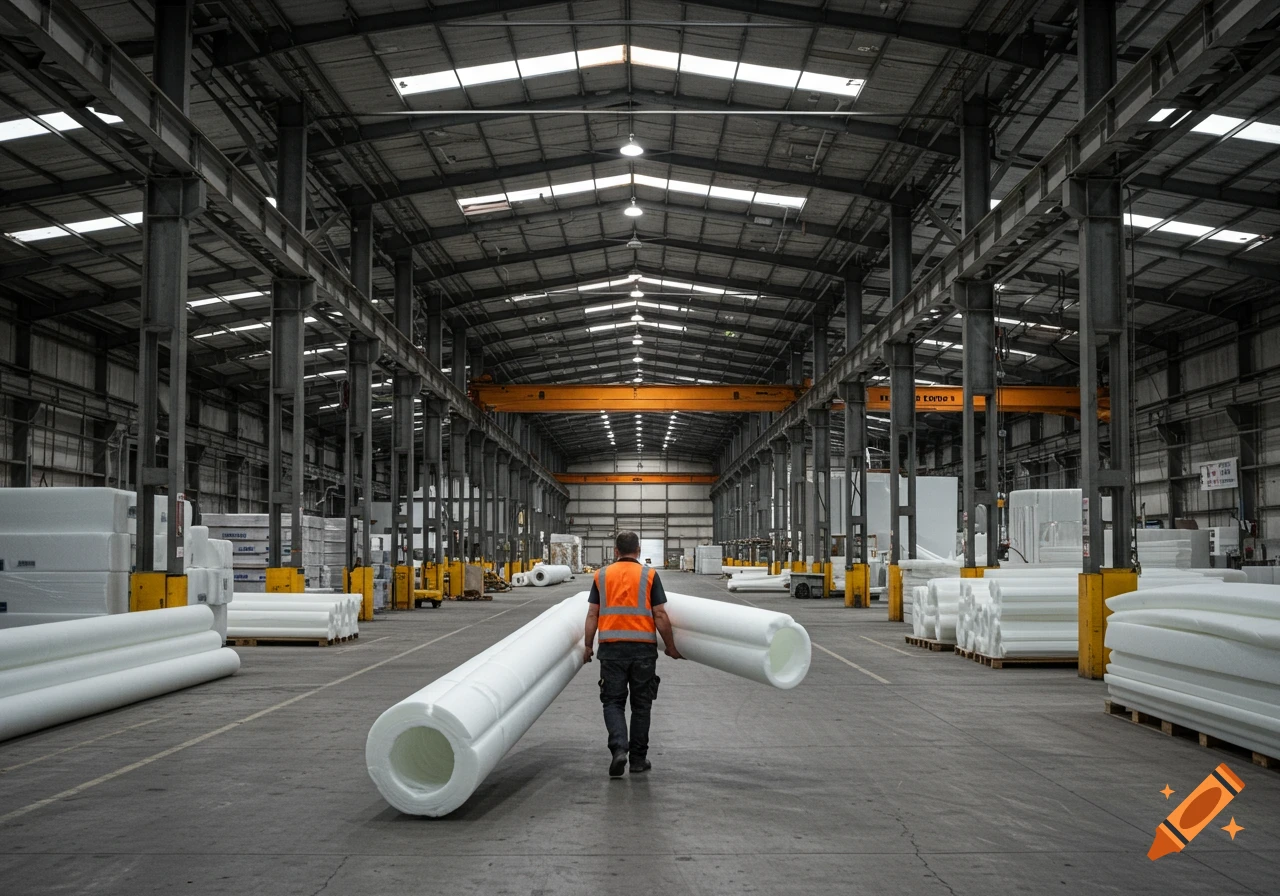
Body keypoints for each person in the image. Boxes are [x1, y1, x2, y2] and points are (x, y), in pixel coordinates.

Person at [583, 531, 682, 778]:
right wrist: (670, 646)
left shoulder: (601, 575)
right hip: (642, 650)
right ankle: (638, 760)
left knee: (613, 702)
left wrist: (587, 645)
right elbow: (659, 614)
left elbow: (592, 614)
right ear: (638, 550)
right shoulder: (649, 575)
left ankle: (619, 749)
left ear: (615, 551)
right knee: (641, 705)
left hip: (612, 649)